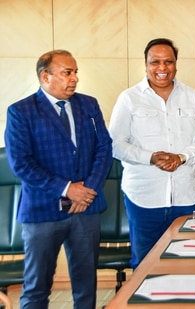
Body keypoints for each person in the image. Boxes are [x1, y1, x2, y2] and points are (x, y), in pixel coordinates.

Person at [4, 49, 112, 308]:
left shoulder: (89, 104)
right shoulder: (21, 111)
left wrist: (87, 190)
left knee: (86, 286)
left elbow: (104, 149)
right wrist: (66, 189)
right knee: (37, 287)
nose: (74, 78)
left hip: (85, 209)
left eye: (75, 72)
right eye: (67, 73)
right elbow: (21, 163)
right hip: (42, 211)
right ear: (45, 76)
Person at [109, 38, 195, 268]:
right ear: (146, 65)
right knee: (145, 264)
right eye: (155, 62)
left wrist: (182, 157)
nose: (162, 68)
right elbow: (115, 144)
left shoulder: (191, 96)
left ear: (176, 64)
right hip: (143, 197)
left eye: (168, 62)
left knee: (186, 262)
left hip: (185, 196)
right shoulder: (129, 98)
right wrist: (151, 157)